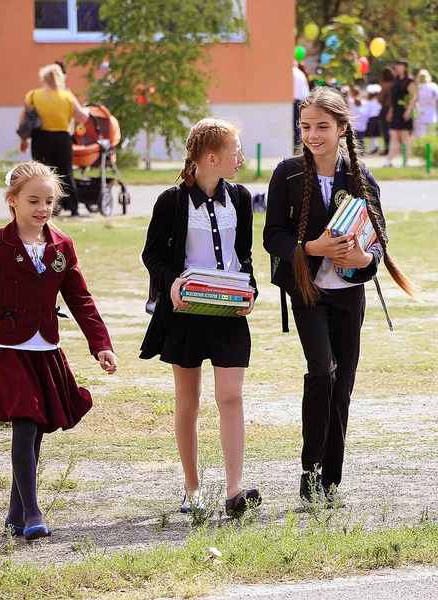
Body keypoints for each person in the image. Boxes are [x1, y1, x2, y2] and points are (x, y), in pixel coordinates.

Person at [263, 87, 418, 507]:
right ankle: (309, 471)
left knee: (342, 388)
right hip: (307, 291)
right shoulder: (287, 173)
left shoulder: (362, 178)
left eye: (322, 127)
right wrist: (314, 248)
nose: (312, 135)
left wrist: (361, 255)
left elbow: (380, 242)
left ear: (342, 128)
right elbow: (271, 236)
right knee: (322, 373)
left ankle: (331, 481)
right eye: (306, 127)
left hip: (350, 295)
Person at [0, 161, 117, 540]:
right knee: (25, 422)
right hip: (7, 350)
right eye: (33, 201)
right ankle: (33, 513)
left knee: (37, 429)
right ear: (12, 202)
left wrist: (101, 344)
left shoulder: (62, 246)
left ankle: (14, 515)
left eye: (48, 201)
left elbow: (80, 298)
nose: (42, 209)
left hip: (47, 349)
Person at [140, 118, 262, 517]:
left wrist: (251, 288)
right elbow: (152, 255)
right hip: (186, 314)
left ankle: (234, 490)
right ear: (212, 158)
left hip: (229, 313)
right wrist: (171, 283)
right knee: (188, 401)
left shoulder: (241, 199)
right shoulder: (171, 202)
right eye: (235, 152)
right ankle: (192, 491)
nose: (241, 158)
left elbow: (243, 255)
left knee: (231, 395)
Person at [18, 63, 90, 216]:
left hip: (40, 138)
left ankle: (46, 207)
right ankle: (73, 208)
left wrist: (23, 140)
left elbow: (23, 119)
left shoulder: (32, 95)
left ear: (43, 78)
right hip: (61, 139)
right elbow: (82, 117)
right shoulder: (67, 96)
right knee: (65, 172)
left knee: (42, 175)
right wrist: (87, 111)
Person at [385, 59, 418, 167]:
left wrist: (408, 110)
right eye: (397, 65)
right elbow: (393, 98)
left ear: (405, 67)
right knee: (393, 135)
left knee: (405, 137)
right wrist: (390, 111)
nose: (398, 67)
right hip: (396, 111)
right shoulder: (395, 81)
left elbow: (413, 96)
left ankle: (406, 160)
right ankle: (389, 160)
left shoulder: (409, 81)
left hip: (405, 110)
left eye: (400, 65)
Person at [414, 69, 438, 138]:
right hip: (432, 115)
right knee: (431, 136)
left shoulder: (418, 87)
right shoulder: (433, 87)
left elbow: (414, 102)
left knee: (420, 136)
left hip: (420, 114)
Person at [377, 67, 395, 155]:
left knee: (385, 129)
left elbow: (380, 98)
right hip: (394, 109)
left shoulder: (385, 85)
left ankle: (387, 148)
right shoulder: (394, 84)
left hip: (386, 108)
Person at [293, 61, 311, 147]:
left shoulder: (294, 73)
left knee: (297, 125)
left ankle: (298, 145)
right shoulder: (300, 73)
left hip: (298, 101)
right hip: (304, 101)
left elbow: (295, 90)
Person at [347, 86, 368, 151]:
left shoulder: (350, 101)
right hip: (361, 121)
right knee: (361, 138)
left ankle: (356, 150)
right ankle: (361, 149)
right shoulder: (363, 101)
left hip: (354, 121)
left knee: (354, 138)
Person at [365, 84, 382, 154]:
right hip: (377, 118)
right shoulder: (378, 102)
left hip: (372, 118)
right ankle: (375, 146)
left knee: (372, 134)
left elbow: (367, 112)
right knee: (373, 134)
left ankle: (374, 147)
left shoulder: (369, 102)